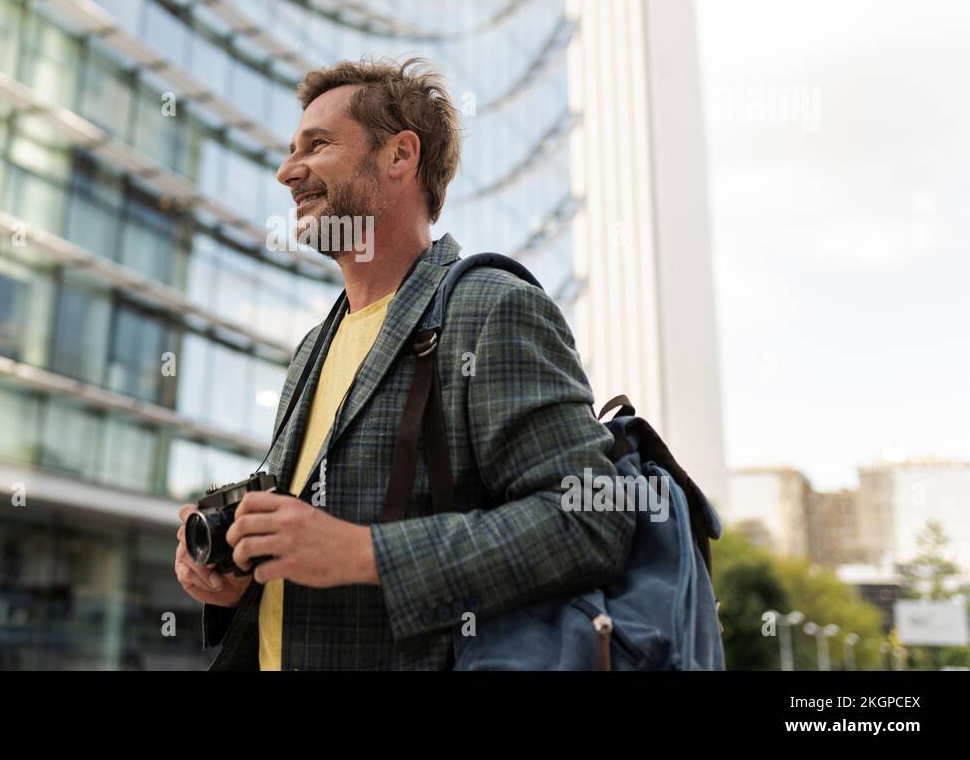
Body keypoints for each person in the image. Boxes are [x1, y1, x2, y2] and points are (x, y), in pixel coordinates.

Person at [174, 56, 635, 669]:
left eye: (318, 145)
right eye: (291, 150)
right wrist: (234, 575)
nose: (288, 172)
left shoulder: (492, 308)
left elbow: (590, 518)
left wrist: (366, 553)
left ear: (400, 156)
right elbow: (311, 551)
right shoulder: (314, 347)